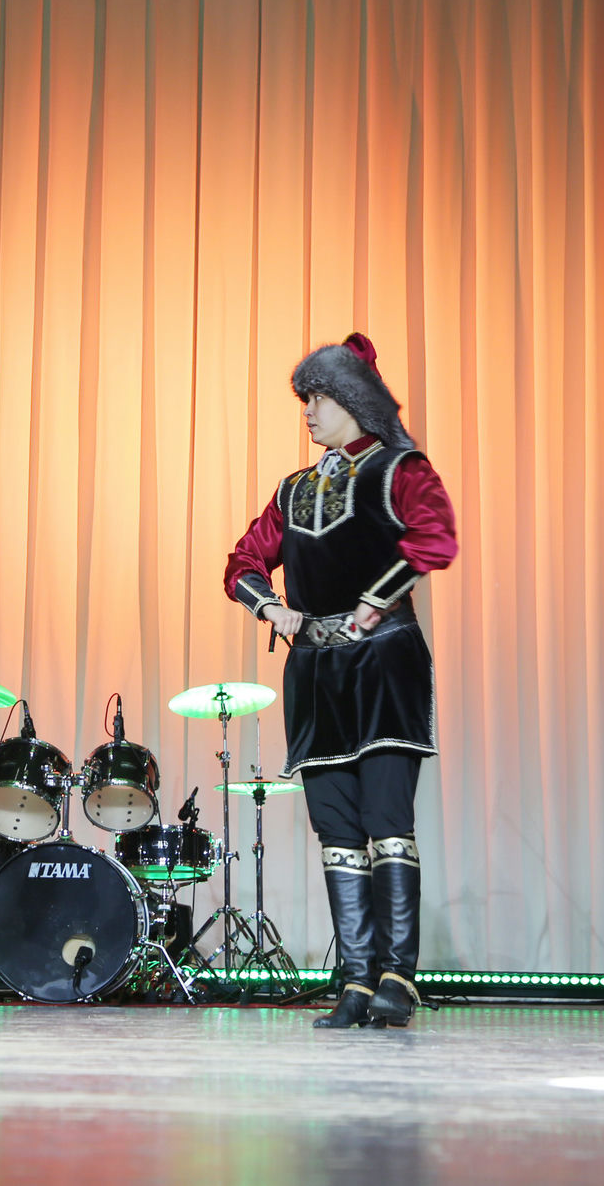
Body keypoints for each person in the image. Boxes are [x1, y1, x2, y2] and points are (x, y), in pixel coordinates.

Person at [224, 334, 457, 1029]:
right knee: (336, 829)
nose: (309, 411)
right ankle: (355, 982)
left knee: (386, 822)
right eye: (306, 399)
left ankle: (397, 979)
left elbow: (435, 537)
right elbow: (242, 560)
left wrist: (376, 600)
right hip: (316, 672)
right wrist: (270, 605)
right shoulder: (293, 489)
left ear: (355, 400)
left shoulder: (399, 469)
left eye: (320, 397)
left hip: (383, 664)